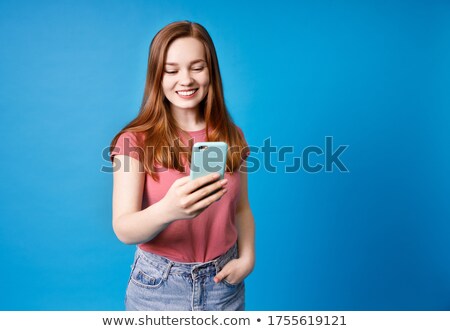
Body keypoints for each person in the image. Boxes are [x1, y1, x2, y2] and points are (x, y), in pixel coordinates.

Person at [109, 21, 255, 311]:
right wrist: (168, 210)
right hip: (158, 286)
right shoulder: (134, 140)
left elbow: (241, 208)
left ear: (210, 71)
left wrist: (247, 259)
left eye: (197, 67)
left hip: (223, 284)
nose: (185, 80)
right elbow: (124, 229)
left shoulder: (230, 135)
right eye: (172, 70)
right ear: (157, 77)